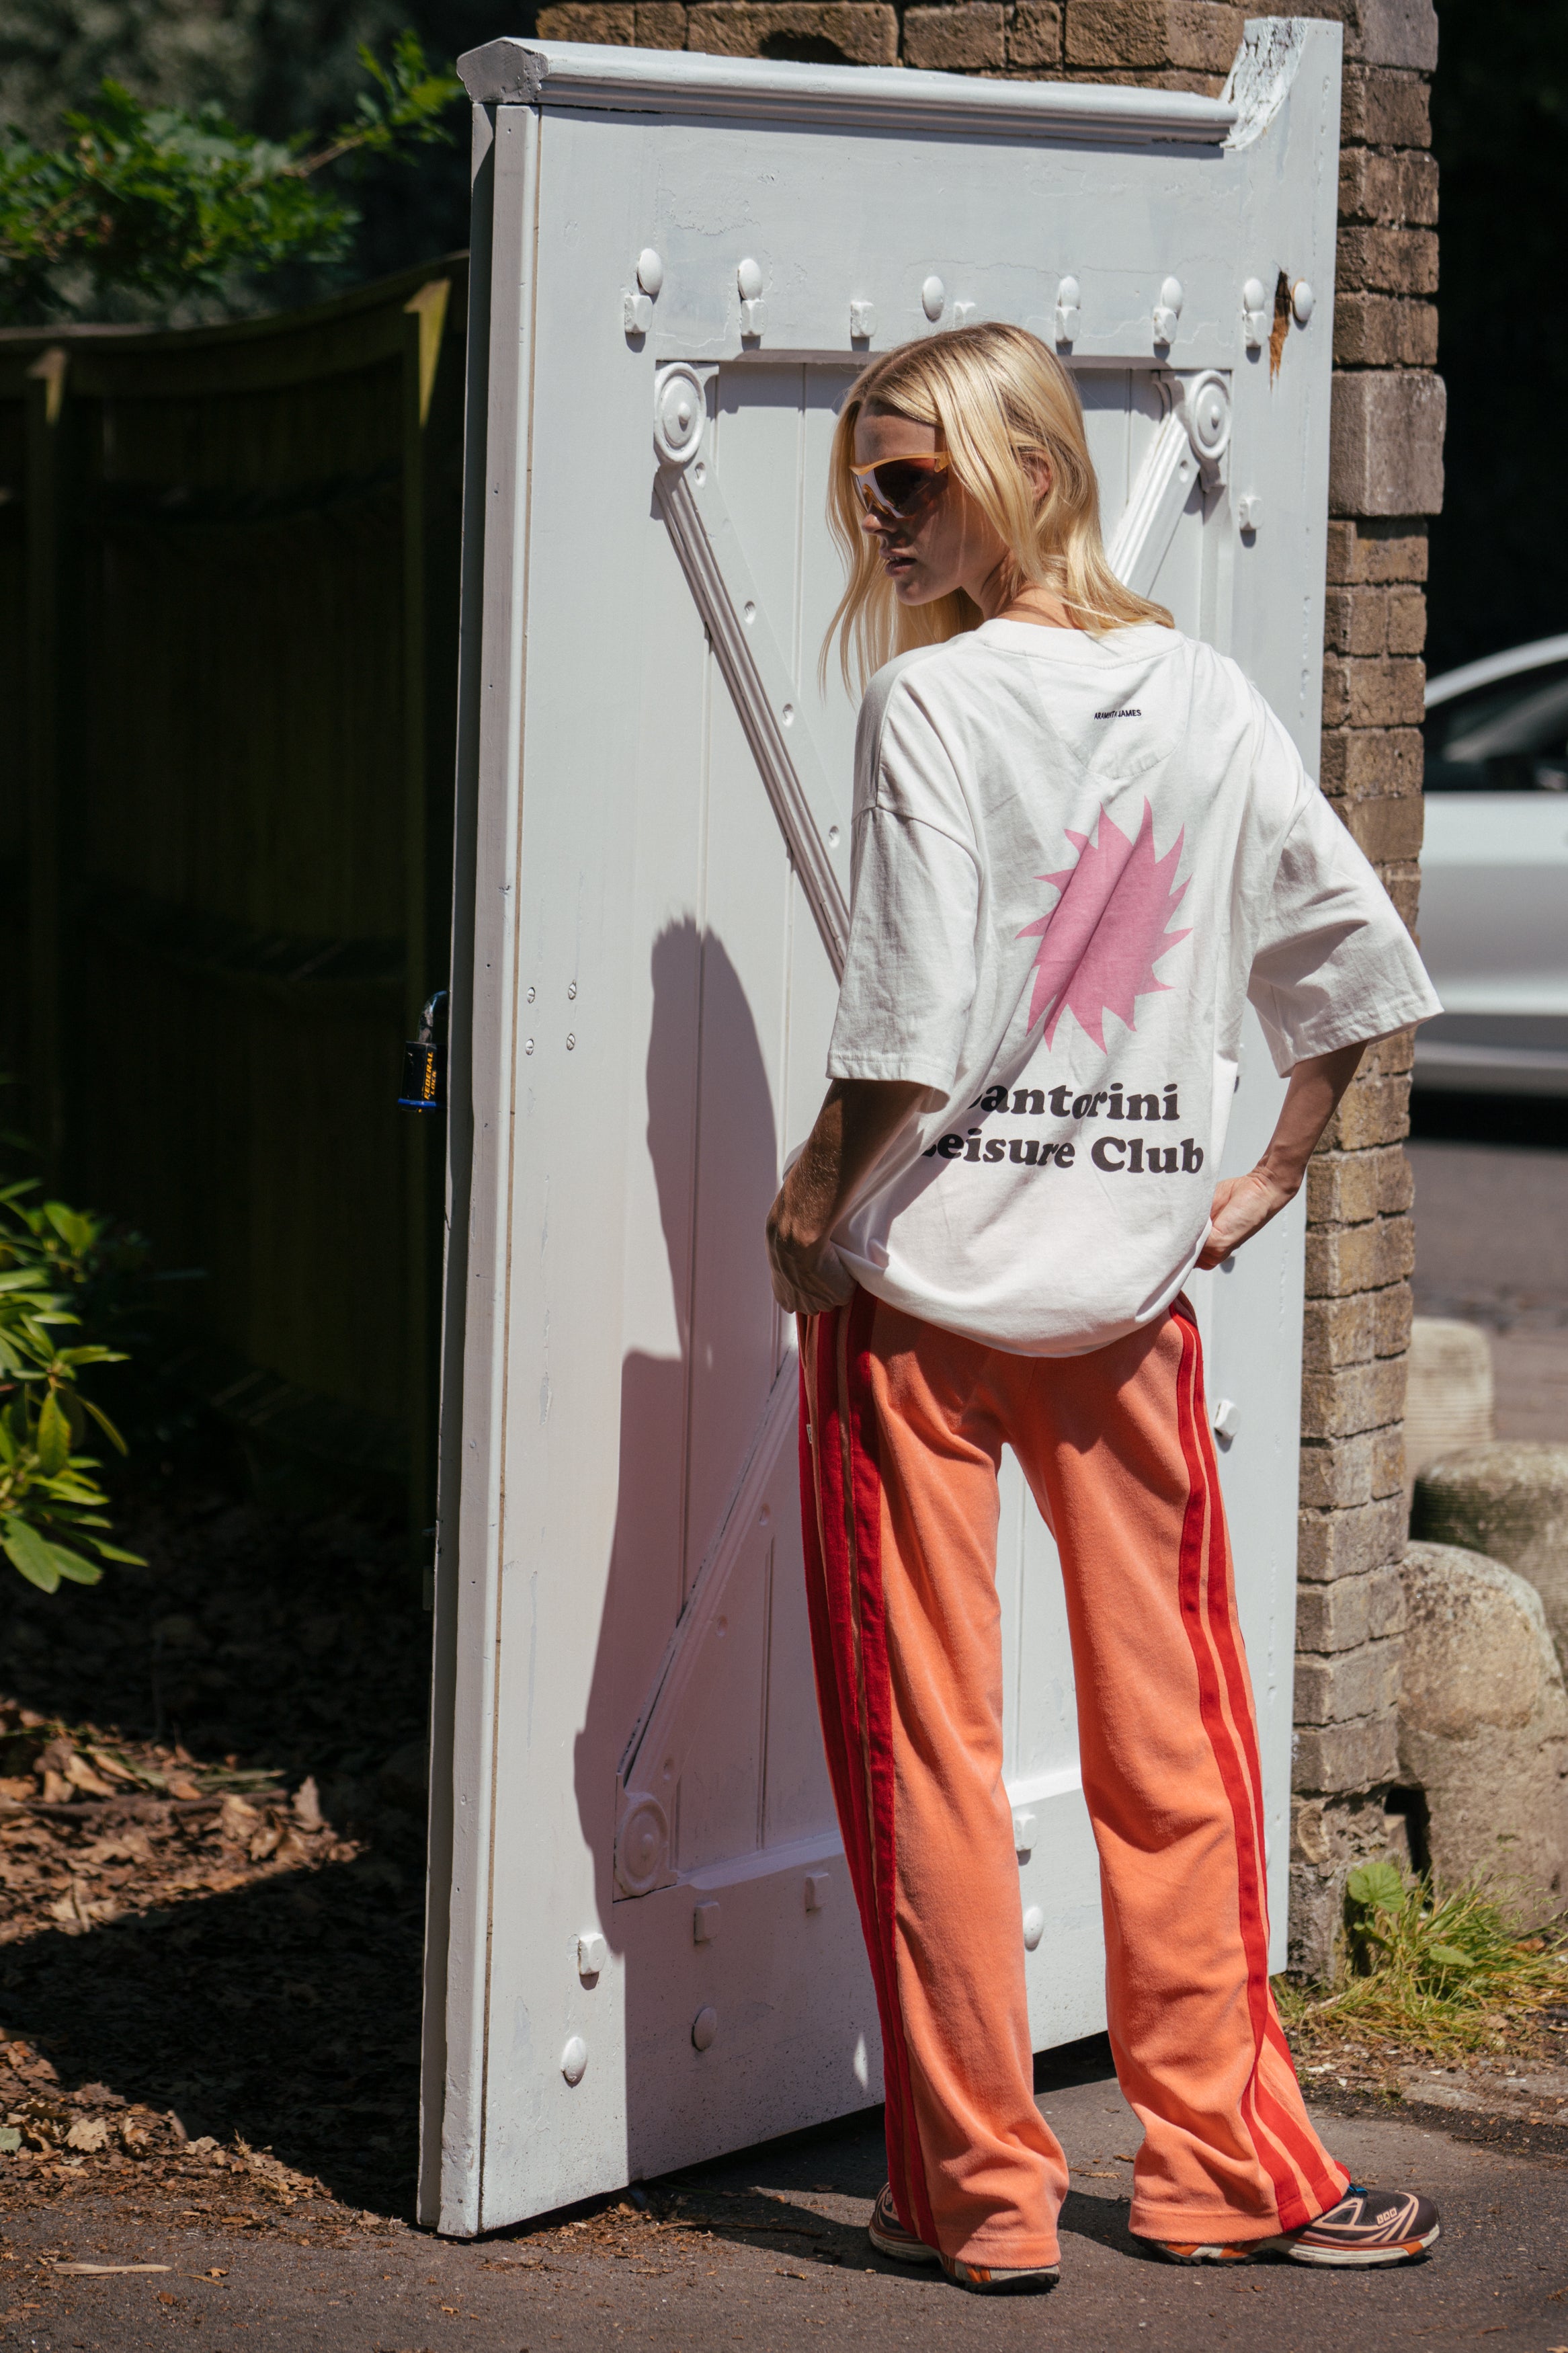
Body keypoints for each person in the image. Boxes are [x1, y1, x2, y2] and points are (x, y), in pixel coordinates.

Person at [764, 323, 1444, 2293]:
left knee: (929, 1746)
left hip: (914, 1300)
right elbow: (1350, 963)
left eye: (912, 479)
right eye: (864, 485)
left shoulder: (929, 704)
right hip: (1128, 1303)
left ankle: (976, 2196)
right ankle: (1221, 2169)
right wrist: (1264, 1175)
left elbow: (903, 1027)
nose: (879, 519)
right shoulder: (1205, 696)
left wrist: (805, 1211)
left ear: (1034, 472)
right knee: (1175, 1734)